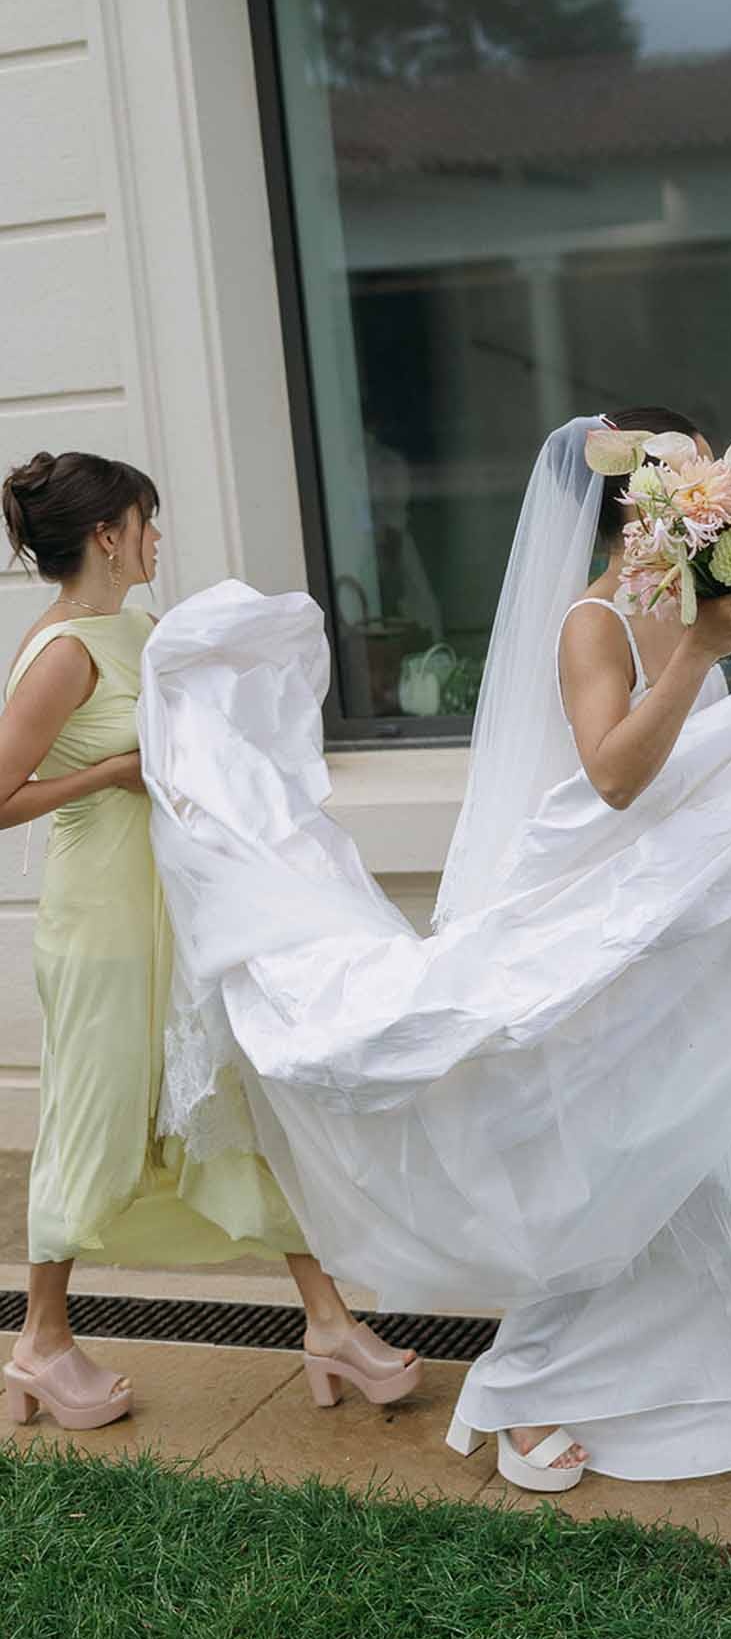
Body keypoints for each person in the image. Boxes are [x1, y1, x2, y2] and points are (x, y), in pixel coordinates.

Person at [137, 410, 731, 1501]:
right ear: (636, 507)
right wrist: (703, 653)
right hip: (612, 963)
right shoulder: (594, 623)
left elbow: (715, 777)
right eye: (690, 484)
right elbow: (615, 776)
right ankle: (528, 1394)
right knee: (623, 1191)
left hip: (697, 950)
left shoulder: (689, 607)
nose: (713, 501)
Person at [0, 450, 421, 1431]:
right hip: (103, 921)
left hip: (180, 909)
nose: (156, 537)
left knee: (237, 1095)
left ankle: (328, 1322)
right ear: (107, 533)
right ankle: (42, 1339)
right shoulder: (64, 649)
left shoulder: (141, 627)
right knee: (92, 1118)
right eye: (146, 520)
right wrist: (110, 772)